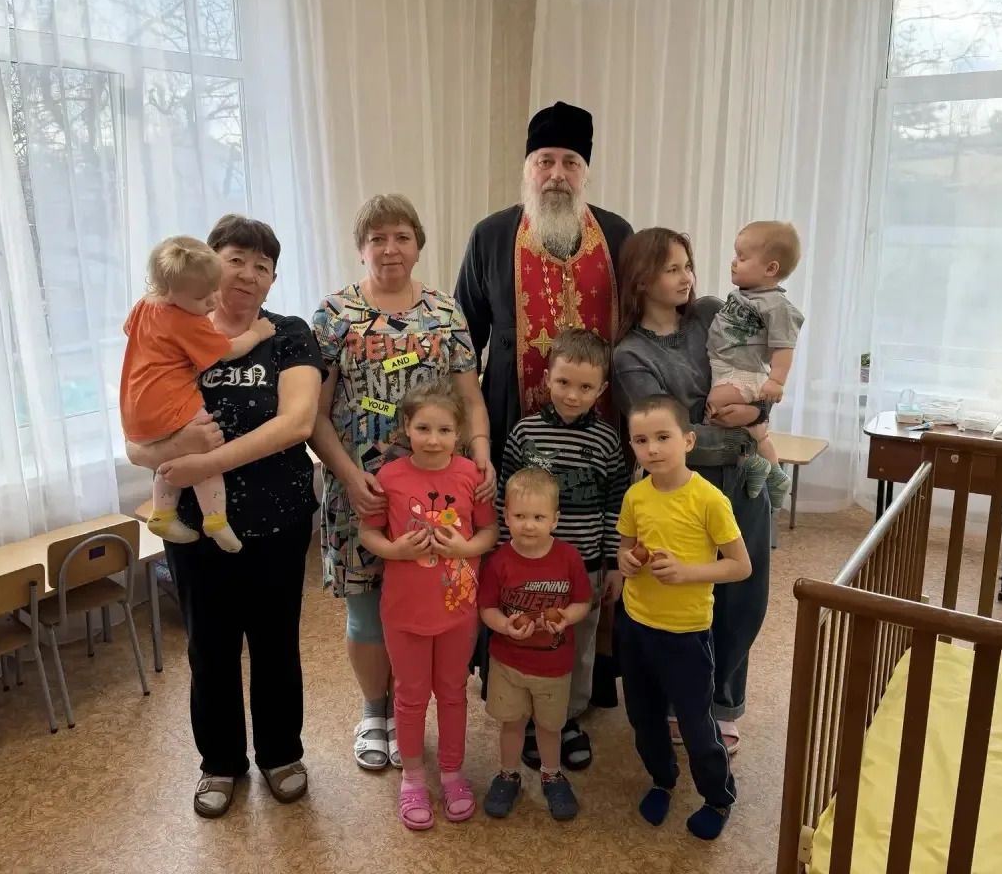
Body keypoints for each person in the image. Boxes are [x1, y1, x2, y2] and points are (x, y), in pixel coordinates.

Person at [125, 215, 325, 818]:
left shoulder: (288, 334)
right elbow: (136, 442)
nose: (248, 274)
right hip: (194, 527)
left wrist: (201, 460)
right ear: (211, 266)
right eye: (236, 259)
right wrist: (175, 456)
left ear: (272, 280)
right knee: (209, 650)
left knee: (275, 645)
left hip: (279, 520)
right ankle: (219, 763)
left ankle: (281, 754)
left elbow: (296, 423)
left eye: (263, 266)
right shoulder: (167, 327)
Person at [310, 194, 494, 772]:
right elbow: (314, 413)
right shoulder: (335, 314)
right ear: (361, 247)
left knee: (433, 601)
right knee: (367, 611)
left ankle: (417, 709)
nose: (390, 249)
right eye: (378, 239)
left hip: (439, 490)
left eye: (401, 237)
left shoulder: (445, 312)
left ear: (418, 245)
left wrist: (481, 456)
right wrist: (348, 476)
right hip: (362, 491)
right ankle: (376, 711)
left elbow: (470, 398)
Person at [612, 226, 772, 757]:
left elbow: (758, 375)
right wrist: (743, 426)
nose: (687, 277)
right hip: (679, 488)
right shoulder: (630, 355)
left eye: (688, 266)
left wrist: (754, 411)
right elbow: (660, 433)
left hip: (743, 475)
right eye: (672, 269)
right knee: (683, 593)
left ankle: (723, 703)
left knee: (743, 595)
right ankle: (680, 700)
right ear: (642, 279)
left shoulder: (710, 313)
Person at [455, 101, 633, 472]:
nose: (557, 174)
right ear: (528, 170)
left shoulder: (617, 234)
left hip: (601, 428)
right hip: (511, 418)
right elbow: (463, 337)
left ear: (585, 174)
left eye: (571, 163)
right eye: (545, 161)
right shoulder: (491, 235)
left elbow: (640, 322)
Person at [358, 379, 499, 831]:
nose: (434, 439)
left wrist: (464, 549)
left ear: (459, 432)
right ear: (406, 428)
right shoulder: (389, 477)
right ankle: (414, 778)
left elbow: (489, 533)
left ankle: (453, 773)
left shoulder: (471, 475)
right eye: (423, 428)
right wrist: (394, 550)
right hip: (404, 612)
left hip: (458, 610)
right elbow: (368, 532)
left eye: (444, 430)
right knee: (410, 696)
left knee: (453, 693)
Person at [615, 395, 750, 841]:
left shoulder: (709, 500)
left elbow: (740, 566)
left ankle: (717, 797)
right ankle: (662, 779)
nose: (652, 448)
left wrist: (687, 572)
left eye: (662, 437)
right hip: (636, 625)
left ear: (688, 440)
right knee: (644, 716)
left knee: (695, 723)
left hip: (686, 633)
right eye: (641, 440)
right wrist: (627, 561)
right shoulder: (636, 495)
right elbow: (626, 548)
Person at [496, 327, 627, 771]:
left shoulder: (607, 440)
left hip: (585, 568)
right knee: (531, 639)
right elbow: (505, 499)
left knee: (578, 644)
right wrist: (503, 558)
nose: (573, 395)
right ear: (547, 378)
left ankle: (566, 718)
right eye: (564, 382)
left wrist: (613, 565)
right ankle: (531, 719)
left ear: (601, 390)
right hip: (528, 568)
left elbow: (615, 507)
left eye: (586, 387)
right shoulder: (525, 433)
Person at [120, 236, 275, 553]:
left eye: (214, 290)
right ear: (169, 292)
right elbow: (229, 351)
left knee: (174, 457)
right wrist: (256, 333)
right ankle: (215, 519)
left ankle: (162, 513)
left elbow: (129, 330)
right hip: (169, 403)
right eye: (202, 298)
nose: (212, 302)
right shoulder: (188, 321)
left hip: (135, 405)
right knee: (204, 453)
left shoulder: (145, 305)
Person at [479, 468, 592, 821]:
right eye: (520, 516)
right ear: (506, 516)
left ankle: (551, 774)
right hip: (508, 664)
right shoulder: (499, 561)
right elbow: (486, 608)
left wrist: (566, 617)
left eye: (539, 517)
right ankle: (508, 774)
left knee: (549, 726)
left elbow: (583, 602)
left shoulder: (569, 557)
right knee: (511, 724)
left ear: (555, 519)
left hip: (554, 666)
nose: (529, 525)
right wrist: (505, 625)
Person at [705, 221, 804, 509]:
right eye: (735, 255)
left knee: (715, 409)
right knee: (757, 432)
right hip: (725, 367)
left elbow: (784, 347)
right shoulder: (745, 295)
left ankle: (753, 464)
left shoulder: (776, 306)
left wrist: (777, 381)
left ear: (770, 269)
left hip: (742, 373)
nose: (733, 262)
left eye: (742, 257)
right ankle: (774, 472)